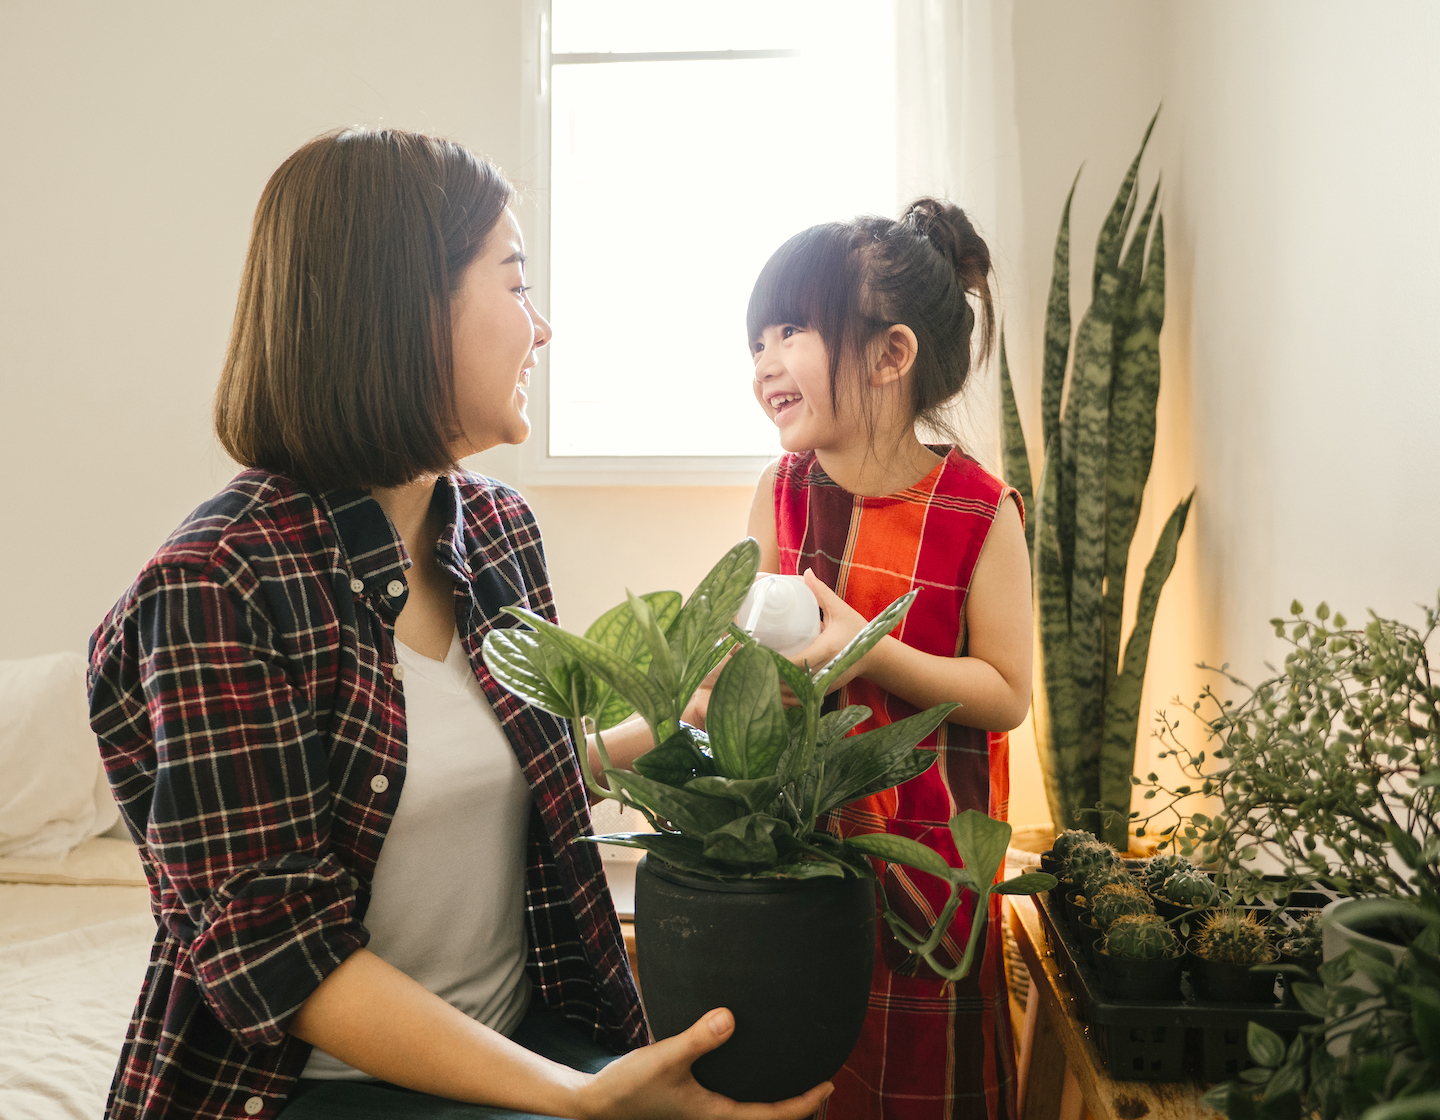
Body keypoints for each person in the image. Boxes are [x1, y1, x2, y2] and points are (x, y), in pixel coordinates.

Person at [87, 128, 833, 1120]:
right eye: (515, 283)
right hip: (311, 1090)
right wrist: (576, 1095)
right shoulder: (217, 583)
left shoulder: (495, 528)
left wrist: (703, 712)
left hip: (520, 1039)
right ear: (401, 308)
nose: (544, 328)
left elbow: (520, 778)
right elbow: (280, 957)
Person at [741, 202, 1033, 1120]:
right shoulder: (781, 493)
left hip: (931, 873)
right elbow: (746, 662)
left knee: (920, 1079)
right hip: (800, 855)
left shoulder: (979, 512)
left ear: (890, 355)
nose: (764, 361)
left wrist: (868, 651)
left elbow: (1008, 693)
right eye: (758, 339)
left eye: (792, 331)